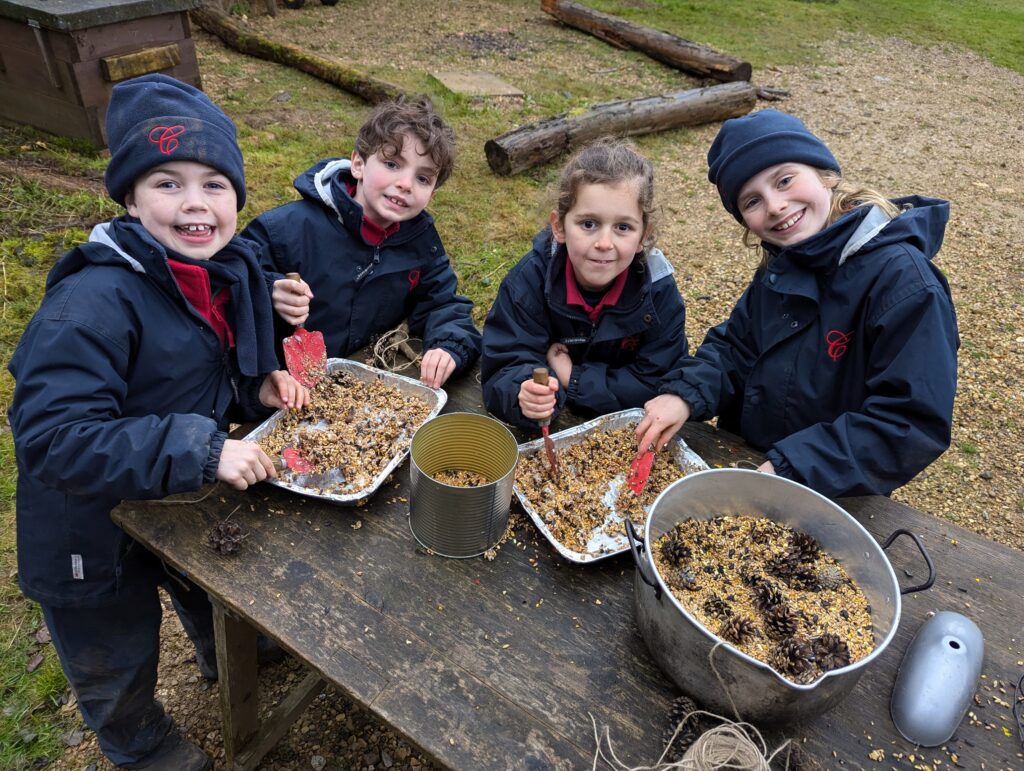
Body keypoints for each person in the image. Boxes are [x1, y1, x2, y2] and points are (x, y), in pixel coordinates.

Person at [8, 74, 308, 770]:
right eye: (167, 183)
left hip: (171, 488)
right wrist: (204, 444)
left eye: (214, 182)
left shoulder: (219, 268)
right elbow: (52, 438)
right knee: (114, 648)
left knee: (200, 584)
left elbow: (213, 357)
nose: (195, 202)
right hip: (84, 520)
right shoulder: (91, 303)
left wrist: (258, 379)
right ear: (130, 197)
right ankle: (138, 743)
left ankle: (221, 655)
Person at [636, 109, 959, 498]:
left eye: (785, 180)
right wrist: (684, 393)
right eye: (752, 201)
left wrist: (793, 466)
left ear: (825, 175)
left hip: (830, 489)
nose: (774, 206)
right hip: (754, 461)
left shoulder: (905, 284)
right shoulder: (782, 264)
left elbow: (908, 424)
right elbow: (736, 347)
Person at [242, 95, 481, 388]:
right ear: (358, 163)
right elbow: (227, 285)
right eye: (392, 164)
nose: (406, 183)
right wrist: (269, 289)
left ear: (432, 193)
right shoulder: (285, 231)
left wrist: (449, 344)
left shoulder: (420, 241)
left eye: (423, 179)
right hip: (277, 386)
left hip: (360, 378)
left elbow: (441, 302)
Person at [481, 138, 688, 431]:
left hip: (626, 436)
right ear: (559, 226)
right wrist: (523, 395)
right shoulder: (530, 281)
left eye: (623, 227)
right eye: (588, 224)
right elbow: (504, 363)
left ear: (644, 236)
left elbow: (659, 382)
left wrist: (572, 378)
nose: (604, 244)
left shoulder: (658, 292)